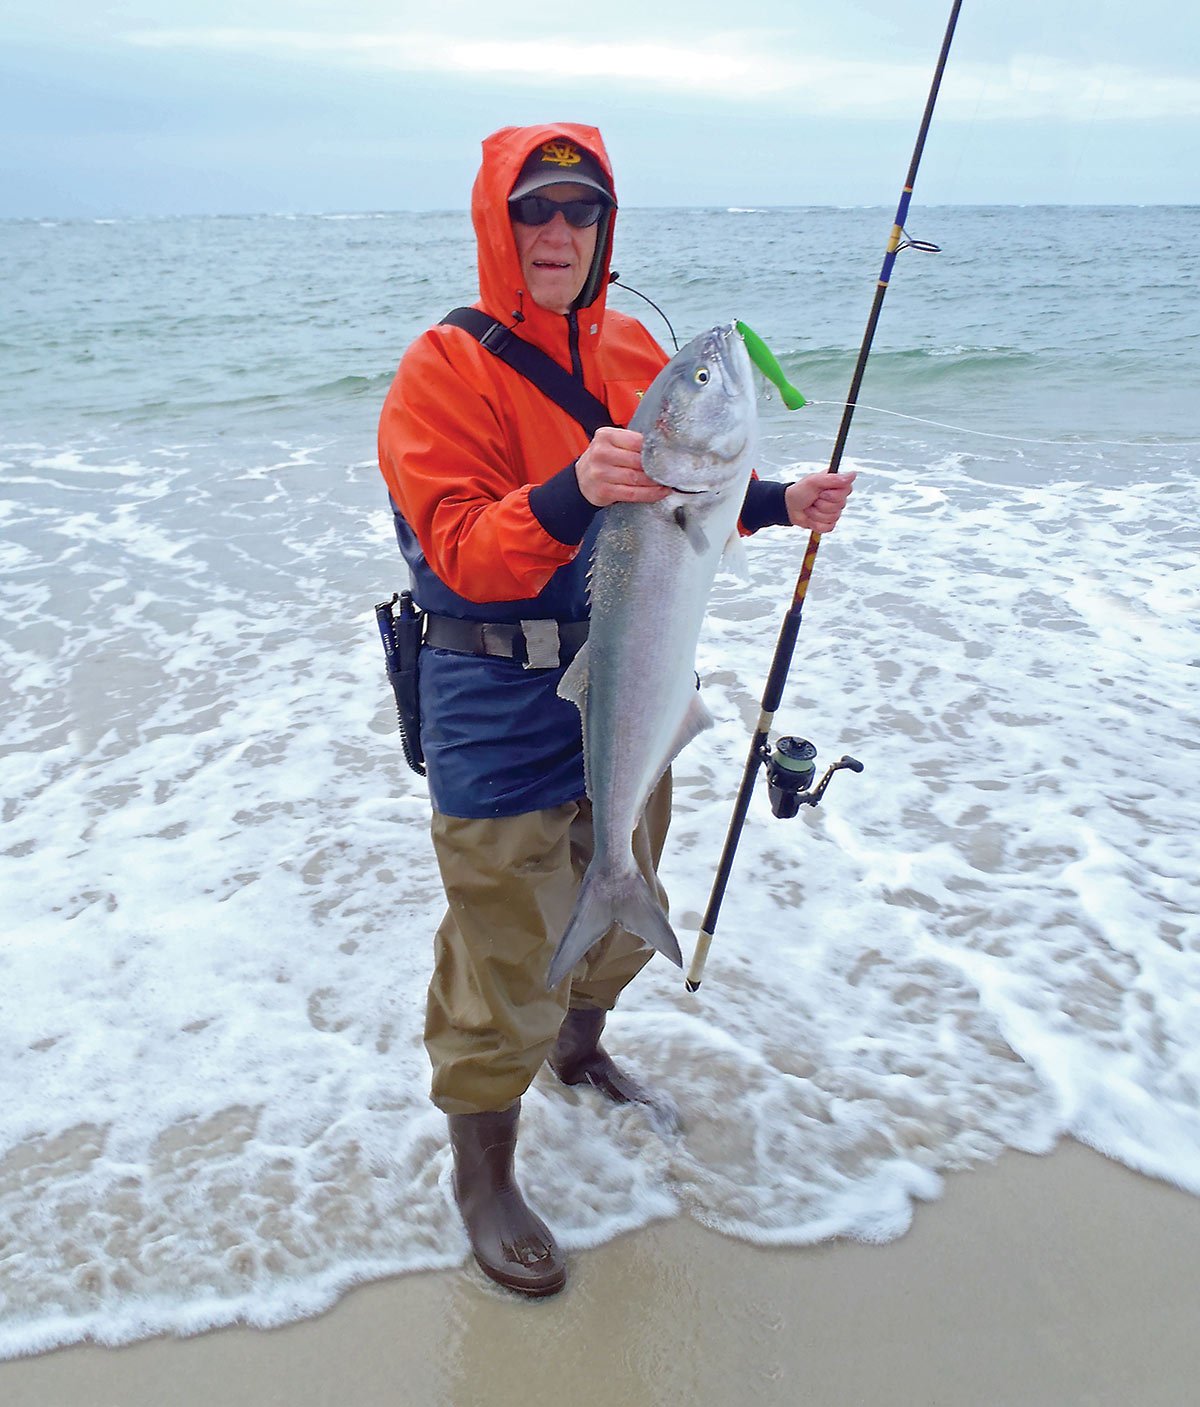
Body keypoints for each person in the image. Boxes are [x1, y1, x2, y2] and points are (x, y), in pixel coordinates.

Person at [378, 123, 854, 1298]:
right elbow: (459, 545)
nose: (557, 233)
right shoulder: (445, 368)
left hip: (629, 675)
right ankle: (483, 1175)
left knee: (628, 865)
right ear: (500, 220)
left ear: (606, 229)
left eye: (579, 213)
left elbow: (684, 503)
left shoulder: (636, 347)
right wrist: (565, 489)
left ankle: (580, 1052)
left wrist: (782, 499)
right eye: (534, 210)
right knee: (503, 939)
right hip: (491, 683)